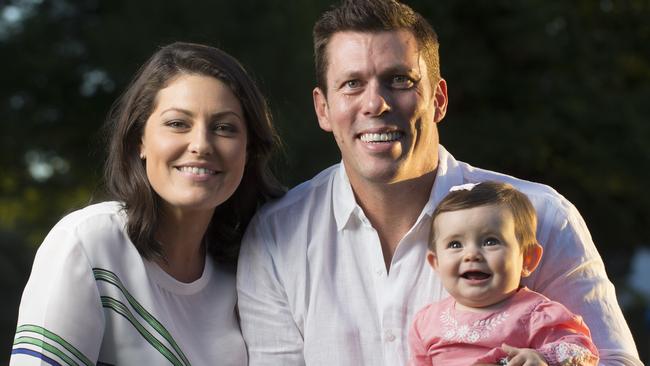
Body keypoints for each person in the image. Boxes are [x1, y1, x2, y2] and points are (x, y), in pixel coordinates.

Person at [236, 0, 641, 365]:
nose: (375, 103)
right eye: (352, 84)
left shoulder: (544, 217)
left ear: (439, 100)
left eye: (399, 80)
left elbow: (613, 361)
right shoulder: (276, 237)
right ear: (323, 109)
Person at [11, 42, 283, 365]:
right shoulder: (86, 243)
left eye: (224, 128)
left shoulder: (251, 270)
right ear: (140, 139)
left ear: (248, 149)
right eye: (178, 123)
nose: (201, 145)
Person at [408, 181, 599, 366]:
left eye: (490, 241)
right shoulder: (426, 321)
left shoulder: (536, 314)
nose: (472, 254)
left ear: (527, 259)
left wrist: (542, 358)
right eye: (455, 244)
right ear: (436, 263)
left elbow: (583, 353)